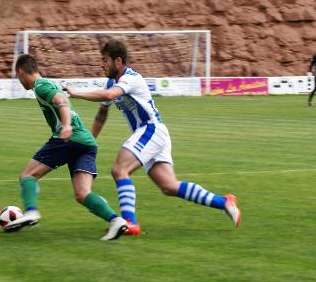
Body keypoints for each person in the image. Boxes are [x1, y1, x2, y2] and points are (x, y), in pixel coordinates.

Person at [64, 39, 241, 235]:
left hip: (151, 130)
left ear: (118, 61)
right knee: (169, 186)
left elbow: (108, 96)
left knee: (119, 169)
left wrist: (77, 93)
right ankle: (224, 202)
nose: (101, 64)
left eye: (105, 60)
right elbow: (101, 115)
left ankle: (130, 223)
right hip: (153, 133)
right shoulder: (110, 82)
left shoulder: (131, 79)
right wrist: (90, 143)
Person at [3, 54, 129, 241]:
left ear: (21, 72)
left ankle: (31, 211)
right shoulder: (46, 84)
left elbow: (62, 101)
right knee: (82, 194)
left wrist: (67, 125)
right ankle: (116, 220)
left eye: (17, 76)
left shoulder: (41, 85)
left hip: (69, 138)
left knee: (27, 175)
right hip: (87, 142)